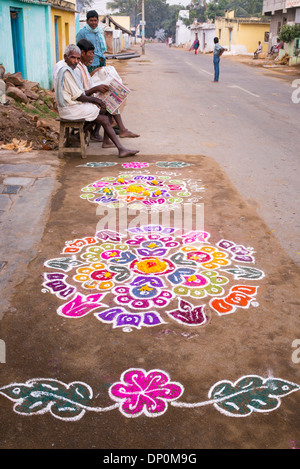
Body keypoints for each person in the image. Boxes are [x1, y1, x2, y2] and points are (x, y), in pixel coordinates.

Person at [54, 44, 139, 158]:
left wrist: (96, 100)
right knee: (103, 112)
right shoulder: (67, 71)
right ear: (65, 57)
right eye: (72, 58)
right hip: (70, 109)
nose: (75, 61)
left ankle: (116, 146)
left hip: (71, 106)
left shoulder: (68, 69)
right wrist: (96, 101)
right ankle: (120, 148)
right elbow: (79, 96)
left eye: (77, 59)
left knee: (103, 110)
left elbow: (80, 93)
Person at [76, 38, 140, 141]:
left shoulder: (82, 67)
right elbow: (79, 94)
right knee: (107, 104)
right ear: (82, 53)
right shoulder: (77, 69)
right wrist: (96, 89)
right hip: (82, 101)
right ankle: (108, 135)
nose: (93, 55)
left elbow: (86, 86)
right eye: (91, 53)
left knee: (112, 96)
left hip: (87, 97)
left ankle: (110, 135)